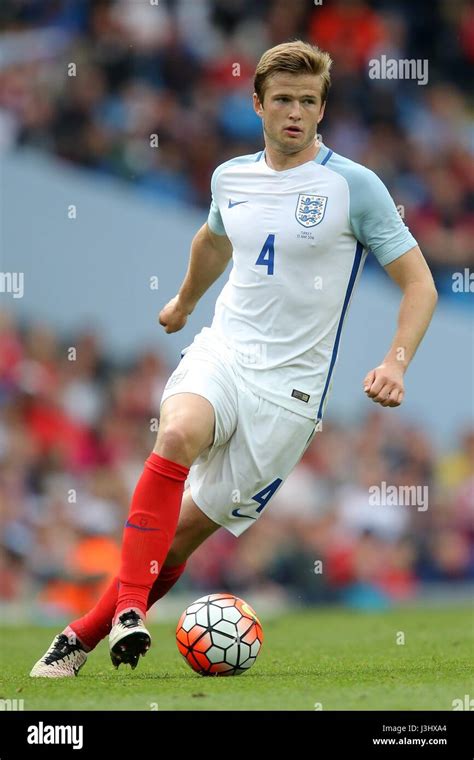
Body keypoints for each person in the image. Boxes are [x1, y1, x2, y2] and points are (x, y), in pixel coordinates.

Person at [30, 40, 437, 677]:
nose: (295, 113)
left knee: (184, 533)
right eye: (282, 100)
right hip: (225, 350)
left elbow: (420, 283)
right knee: (179, 430)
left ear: (323, 110)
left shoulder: (354, 187)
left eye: (308, 101)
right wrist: (185, 303)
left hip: (289, 400)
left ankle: (80, 638)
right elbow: (213, 239)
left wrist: (398, 362)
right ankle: (131, 612)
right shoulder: (231, 176)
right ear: (258, 104)